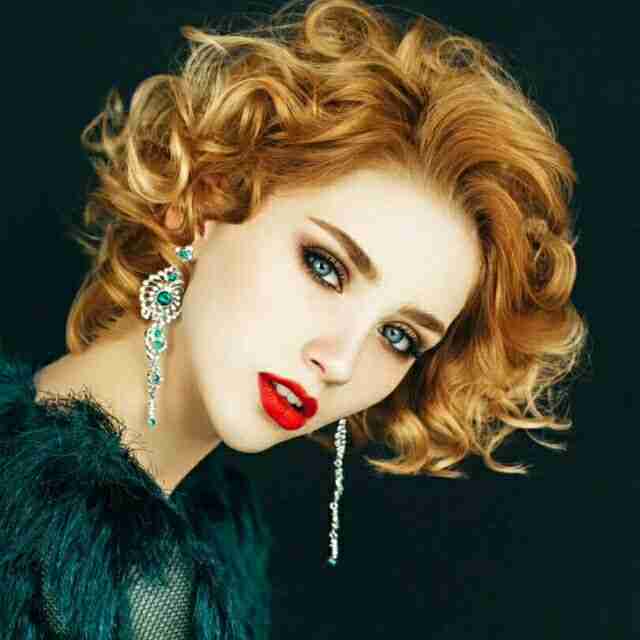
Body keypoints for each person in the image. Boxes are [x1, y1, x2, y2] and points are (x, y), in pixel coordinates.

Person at [0, 0, 589, 637]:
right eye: (325, 267)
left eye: (397, 336)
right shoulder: (101, 564)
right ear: (206, 198)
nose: (340, 360)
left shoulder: (204, 543)